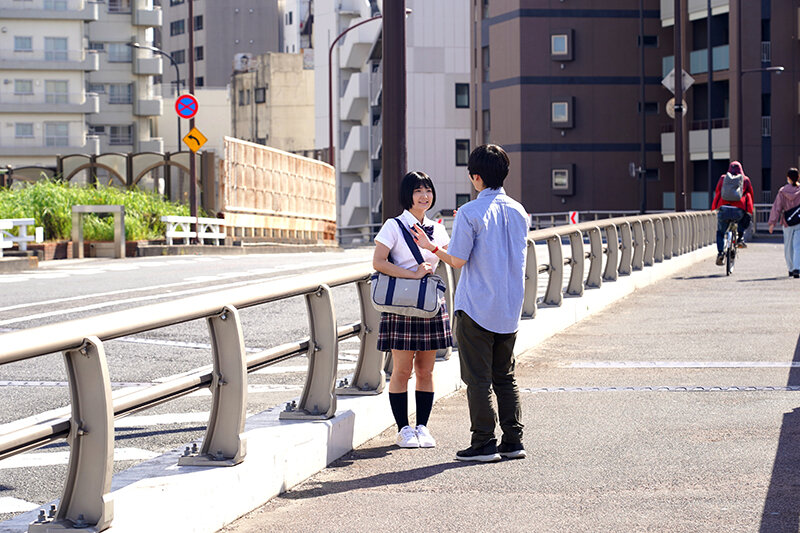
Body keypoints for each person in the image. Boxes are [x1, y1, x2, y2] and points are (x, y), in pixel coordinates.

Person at [411, 144, 528, 463]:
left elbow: (458, 260)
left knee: (478, 379)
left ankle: (484, 442)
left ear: (476, 177)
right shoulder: (519, 211)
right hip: (509, 307)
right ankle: (513, 440)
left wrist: (430, 247)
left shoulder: (470, 212)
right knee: (505, 377)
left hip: (477, 306)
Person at [373, 171, 453, 448]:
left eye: (428, 190)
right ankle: (403, 429)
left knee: (426, 371)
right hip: (402, 305)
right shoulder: (394, 226)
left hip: (429, 303)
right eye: (418, 190)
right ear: (408, 194)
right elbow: (379, 262)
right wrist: (413, 274)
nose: (424, 196)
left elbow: (450, 258)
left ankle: (423, 427)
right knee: (402, 370)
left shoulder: (437, 228)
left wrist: (434, 250)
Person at [711, 161, 754, 266]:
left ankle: (720, 253)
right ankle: (740, 238)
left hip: (724, 209)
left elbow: (718, 191)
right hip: (738, 210)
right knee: (743, 219)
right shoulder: (745, 179)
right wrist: (749, 210)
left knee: (721, 232)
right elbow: (750, 194)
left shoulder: (723, 178)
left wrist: (716, 206)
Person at [768, 167, 800, 278]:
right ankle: (797, 268)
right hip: (799, 222)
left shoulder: (782, 191)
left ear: (788, 178)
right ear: (798, 177)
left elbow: (777, 207)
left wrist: (772, 223)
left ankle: (791, 269)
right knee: (797, 246)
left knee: (788, 246)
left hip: (787, 222)